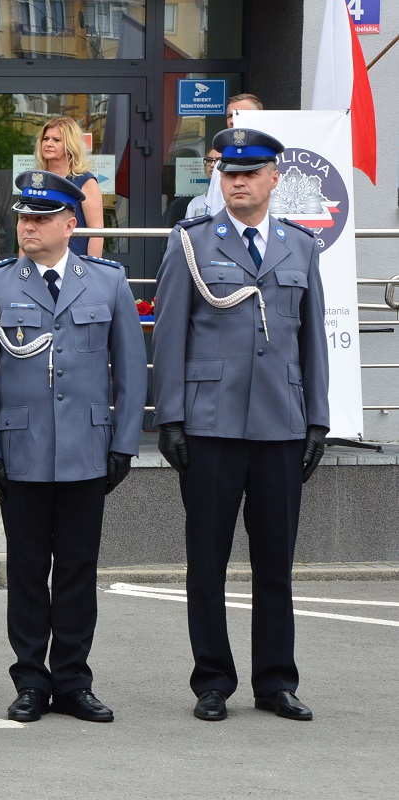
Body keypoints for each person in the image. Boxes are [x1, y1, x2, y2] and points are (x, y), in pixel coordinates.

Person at [153, 128, 329, 723]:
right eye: (230, 172)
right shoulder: (191, 243)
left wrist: (317, 421)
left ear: (274, 178)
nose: (239, 181)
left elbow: (312, 343)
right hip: (210, 426)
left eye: (251, 172)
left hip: (280, 424)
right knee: (206, 560)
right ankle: (212, 680)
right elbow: (171, 331)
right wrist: (170, 418)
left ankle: (276, 681)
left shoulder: (300, 248)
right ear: (219, 178)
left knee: (275, 561)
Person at [0, 170, 147, 724]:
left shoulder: (107, 281)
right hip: (22, 451)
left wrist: (124, 442)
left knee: (76, 569)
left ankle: (72, 679)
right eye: (23, 217)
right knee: (25, 570)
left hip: (87, 449)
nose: (28, 226)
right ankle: (30, 680)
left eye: (40, 217)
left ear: (71, 223)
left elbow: (131, 372)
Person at [34, 117, 104, 258]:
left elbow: (97, 232)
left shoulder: (85, 181)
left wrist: (92, 269)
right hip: (39, 263)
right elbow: (26, 228)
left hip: (75, 265)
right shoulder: (36, 181)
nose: (48, 144)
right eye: (46, 139)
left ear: (70, 145)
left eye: (56, 140)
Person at [205, 94, 266, 217]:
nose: (232, 121)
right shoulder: (221, 165)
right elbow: (213, 209)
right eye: (229, 116)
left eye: (239, 115)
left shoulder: (270, 162)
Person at [184, 148, 221, 219]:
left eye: (218, 160)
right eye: (209, 160)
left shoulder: (234, 200)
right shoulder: (195, 203)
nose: (212, 165)